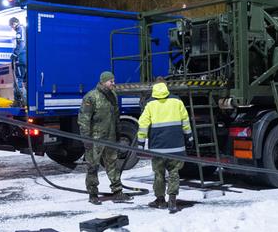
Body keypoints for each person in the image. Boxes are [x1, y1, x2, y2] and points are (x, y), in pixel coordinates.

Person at [137, 82, 193, 214]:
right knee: (174, 172)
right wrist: (189, 137)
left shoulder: (150, 104)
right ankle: (172, 200)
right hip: (176, 146)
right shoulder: (177, 101)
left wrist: (140, 143)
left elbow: (143, 124)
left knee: (159, 174)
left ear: (154, 90)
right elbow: (185, 121)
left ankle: (160, 200)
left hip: (158, 147)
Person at [77, 71, 132, 205]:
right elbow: (84, 120)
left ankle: (117, 191)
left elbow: (116, 116)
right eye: (111, 81)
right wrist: (86, 139)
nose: (113, 83)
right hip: (96, 139)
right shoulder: (91, 97)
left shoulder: (113, 95)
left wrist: (118, 133)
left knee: (113, 164)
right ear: (103, 82)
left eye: (114, 81)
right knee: (92, 166)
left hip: (111, 137)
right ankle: (93, 193)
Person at [9, 17, 27, 107]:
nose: (12, 27)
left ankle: (20, 101)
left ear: (15, 23)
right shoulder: (24, 29)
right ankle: (24, 100)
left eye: (11, 25)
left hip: (21, 59)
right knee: (24, 80)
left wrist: (15, 54)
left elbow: (21, 44)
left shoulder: (20, 29)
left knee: (18, 80)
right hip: (25, 59)